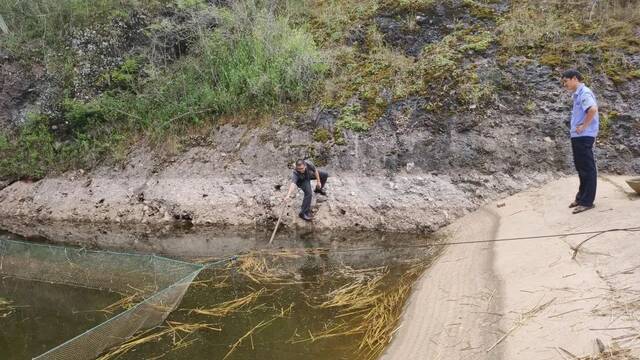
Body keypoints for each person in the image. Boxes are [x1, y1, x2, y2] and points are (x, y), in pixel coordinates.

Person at [561, 69, 599, 214]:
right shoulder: (578, 95)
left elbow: (593, 109)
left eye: (566, 81)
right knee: (581, 168)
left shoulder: (584, 92)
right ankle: (581, 197)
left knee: (587, 169)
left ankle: (587, 201)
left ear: (575, 78)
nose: (565, 84)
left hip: (584, 136)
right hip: (579, 137)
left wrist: (584, 126)